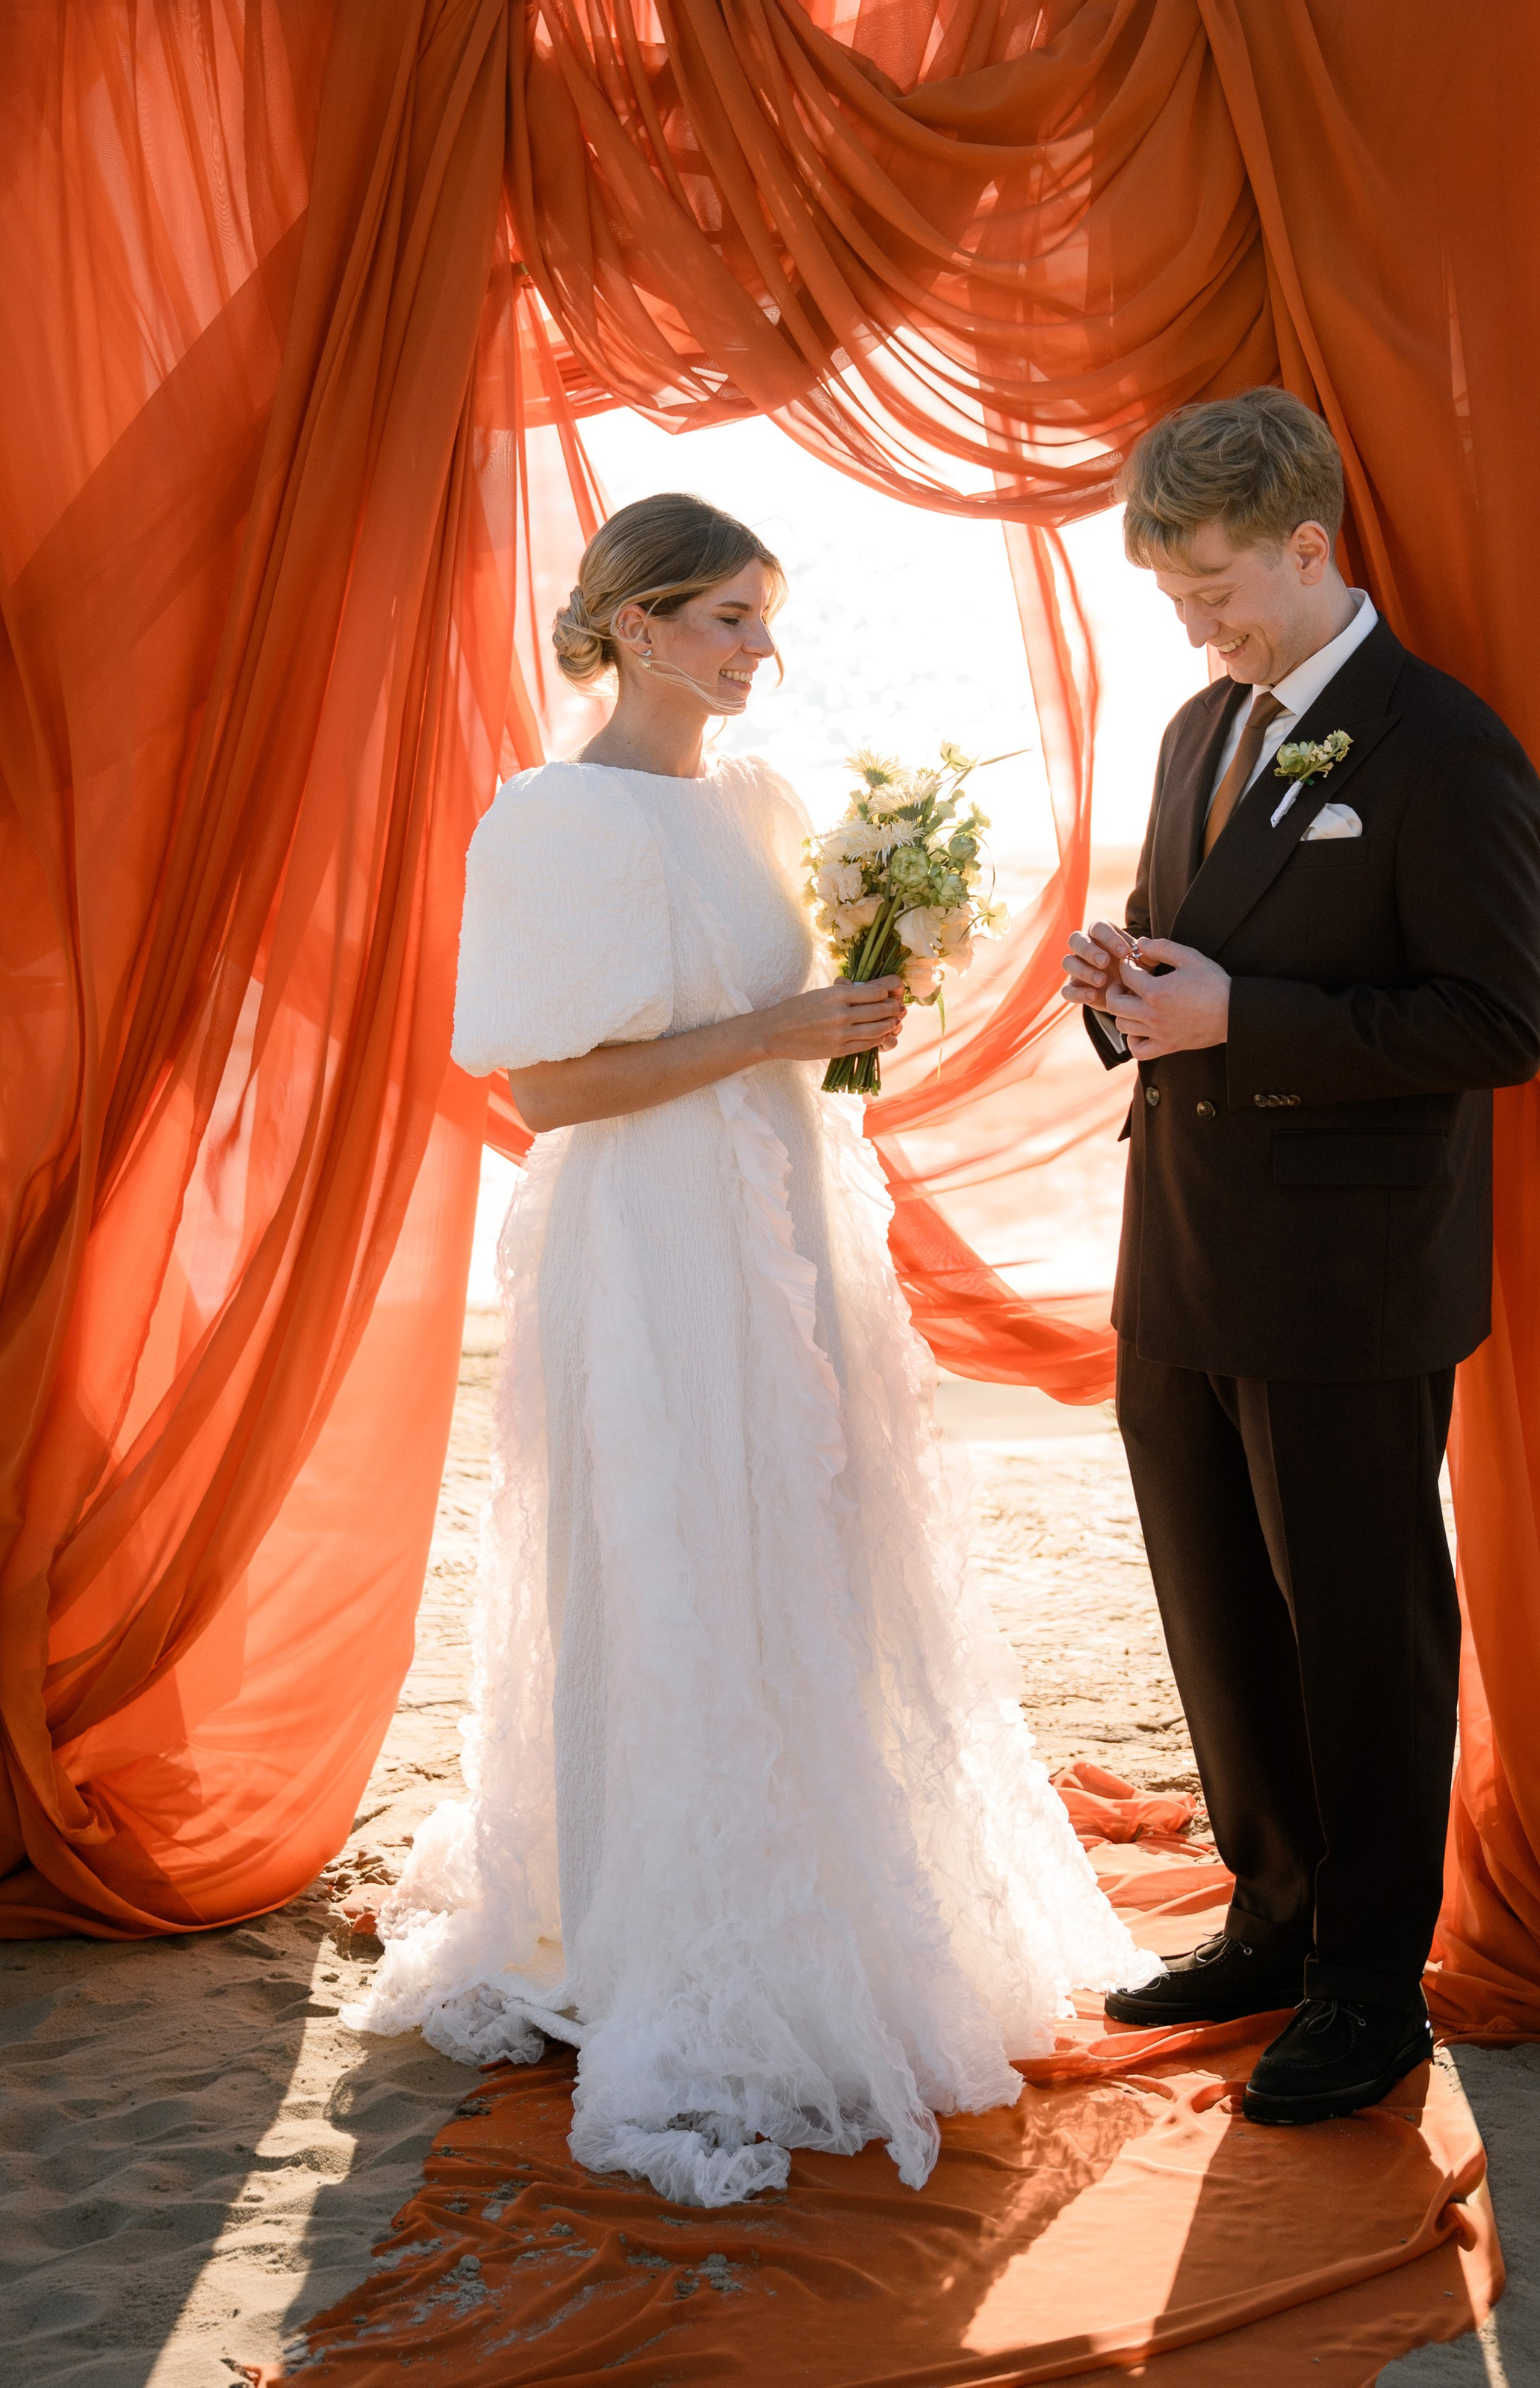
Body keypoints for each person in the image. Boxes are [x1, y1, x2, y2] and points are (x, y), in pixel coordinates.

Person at [349, 491, 1134, 2206]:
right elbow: (544, 1090)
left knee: (811, 1552)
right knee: (671, 1567)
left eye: (763, 618)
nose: (759, 650)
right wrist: (775, 1026)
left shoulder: (764, 802)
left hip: (782, 1226)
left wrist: (862, 998)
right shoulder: (552, 819)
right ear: (632, 625)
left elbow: (789, 1027)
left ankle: (822, 1895)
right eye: (725, 617)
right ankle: (659, 1928)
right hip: (646, 1249)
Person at [1062, 391, 1540, 2126]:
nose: (1190, 625)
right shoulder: (1198, 728)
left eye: (1210, 589)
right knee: (1215, 1608)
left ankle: (1365, 1982)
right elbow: (1190, 956)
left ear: (1306, 547)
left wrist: (1240, 1017)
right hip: (1181, 1252)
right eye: (1169, 594)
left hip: (1350, 1279)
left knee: (1360, 1628)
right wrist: (1125, 986)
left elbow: (1492, 1023)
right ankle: (1272, 1919)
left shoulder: (1444, 746)